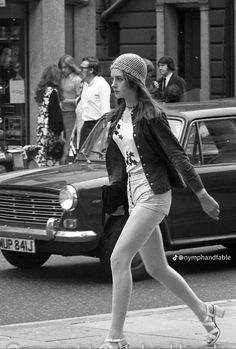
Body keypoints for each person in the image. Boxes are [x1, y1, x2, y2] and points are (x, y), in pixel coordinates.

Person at [99, 53, 225, 349]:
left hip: (154, 195)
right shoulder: (119, 115)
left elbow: (177, 156)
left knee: (119, 259)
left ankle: (115, 338)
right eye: (113, 77)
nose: (113, 83)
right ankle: (205, 314)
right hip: (134, 196)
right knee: (157, 267)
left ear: (133, 81)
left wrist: (201, 194)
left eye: (118, 79)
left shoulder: (151, 115)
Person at [77, 56, 111, 148]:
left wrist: (103, 132)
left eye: (82, 68)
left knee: (93, 157)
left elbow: (105, 110)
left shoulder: (101, 84)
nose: (80, 70)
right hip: (85, 125)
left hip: (97, 125)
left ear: (91, 70)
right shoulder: (85, 84)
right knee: (82, 156)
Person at [34, 64, 64, 167]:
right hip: (51, 136)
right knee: (52, 164)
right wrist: (59, 130)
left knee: (43, 162)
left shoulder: (43, 92)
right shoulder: (53, 92)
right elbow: (55, 116)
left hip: (42, 134)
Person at [58, 54, 82, 163]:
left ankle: (65, 161)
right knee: (61, 138)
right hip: (61, 112)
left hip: (71, 113)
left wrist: (68, 101)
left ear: (71, 66)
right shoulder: (61, 78)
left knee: (69, 139)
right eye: (61, 67)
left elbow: (81, 99)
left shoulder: (77, 80)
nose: (63, 70)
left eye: (65, 67)